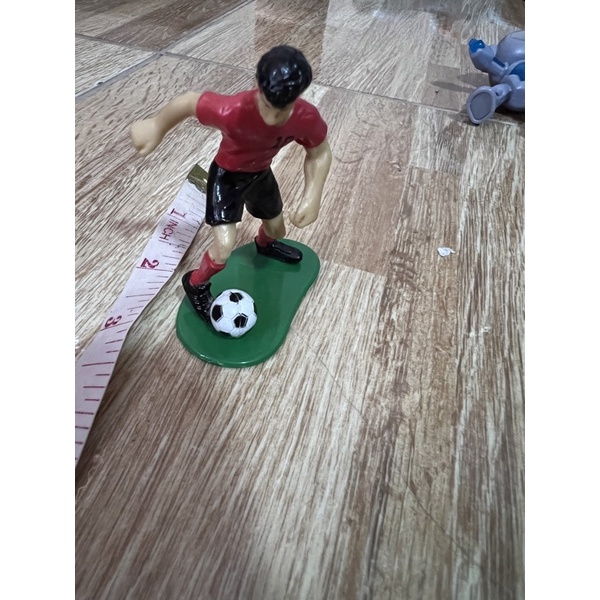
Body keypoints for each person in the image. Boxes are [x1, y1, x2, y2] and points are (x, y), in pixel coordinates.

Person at [131, 45, 332, 323]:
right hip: (226, 178)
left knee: (277, 229)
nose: (273, 118)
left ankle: (264, 245)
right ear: (258, 86)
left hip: (260, 174)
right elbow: (189, 102)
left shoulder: (305, 117)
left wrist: (313, 196)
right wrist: (156, 125)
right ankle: (196, 283)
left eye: (283, 109)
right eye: (268, 105)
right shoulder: (232, 110)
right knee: (224, 247)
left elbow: (319, 152)